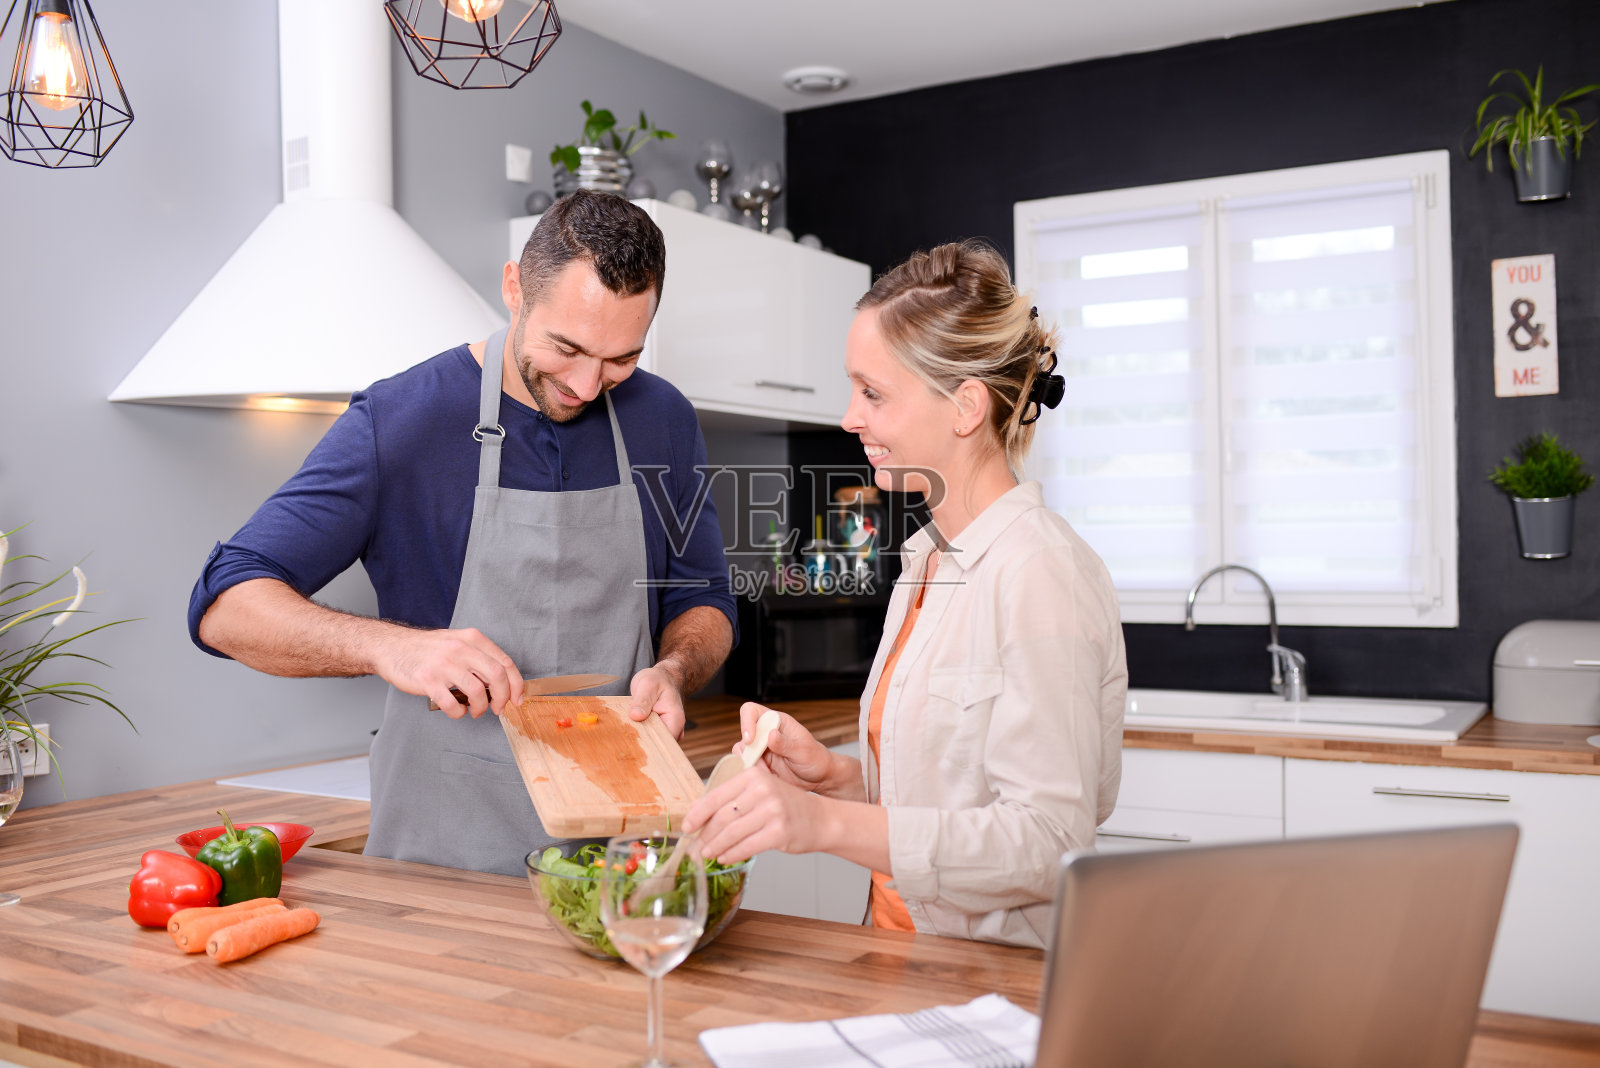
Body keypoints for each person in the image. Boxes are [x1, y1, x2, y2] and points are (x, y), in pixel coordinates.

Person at [191, 191, 736, 877]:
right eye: (566, 347)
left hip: (626, 852)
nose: (588, 384)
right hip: (447, 851)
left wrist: (675, 669)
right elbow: (225, 607)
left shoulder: (664, 418)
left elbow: (704, 597)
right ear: (513, 287)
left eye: (620, 358)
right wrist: (393, 648)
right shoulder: (401, 420)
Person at [683, 240, 1127, 948]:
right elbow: (945, 799)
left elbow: (1048, 844)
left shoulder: (1042, 574)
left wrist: (822, 824)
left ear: (965, 408)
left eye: (873, 392)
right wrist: (831, 777)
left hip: (996, 990)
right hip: (903, 958)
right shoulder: (925, 562)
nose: (850, 418)